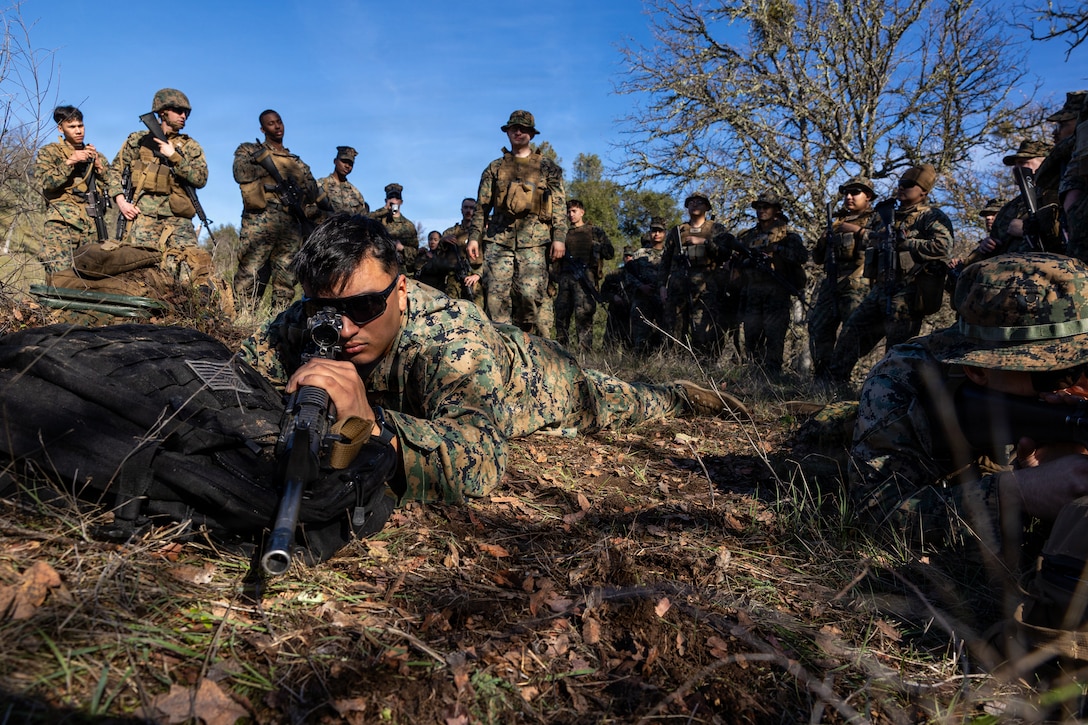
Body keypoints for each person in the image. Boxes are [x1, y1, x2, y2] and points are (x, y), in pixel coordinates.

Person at [240, 214, 748, 504]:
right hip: (492, 357)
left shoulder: (451, 338)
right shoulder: (312, 315)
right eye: (326, 311)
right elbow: (235, 373)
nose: (343, 328)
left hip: (540, 377)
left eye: (364, 307)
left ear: (399, 291)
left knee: (625, 401)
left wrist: (369, 427)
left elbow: (480, 460)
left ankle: (681, 393)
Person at [850, 253, 1088, 645]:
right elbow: (876, 513)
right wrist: (1016, 491)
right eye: (1057, 372)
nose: (1074, 384)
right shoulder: (905, 380)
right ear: (978, 369)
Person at [828, 164, 954, 387]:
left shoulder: (931, 216)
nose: (902, 188)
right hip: (880, 288)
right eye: (900, 184)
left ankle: (892, 391)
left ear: (923, 191)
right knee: (851, 333)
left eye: (908, 185)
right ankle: (834, 384)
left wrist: (907, 243)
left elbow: (943, 247)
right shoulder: (885, 214)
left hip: (908, 291)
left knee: (898, 347)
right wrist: (868, 234)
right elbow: (872, 240)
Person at [466, 110, 567, 337]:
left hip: (535, 241)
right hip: (499, 241)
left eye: (523, 129)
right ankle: (503, 345)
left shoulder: (548, 167)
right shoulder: (494, 168)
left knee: (529, 296)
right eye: (514, 128)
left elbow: (560, 206)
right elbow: (482, 206)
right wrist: (474, 237)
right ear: (507, 132)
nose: (518, 132)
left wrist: (559, 239)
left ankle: (528, 339)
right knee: (496, 298)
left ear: (531, 134)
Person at [109, 88, 209, 283]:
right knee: (138, 273)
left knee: (191, 271)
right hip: (143, 216)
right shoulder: (138, 141)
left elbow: (200, 179)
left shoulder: (191, 146)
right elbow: (114, 171)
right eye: (178, 111)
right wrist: (121, 201)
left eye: (186, 113)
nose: (183, 116)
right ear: (162, 112)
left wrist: (174, 157)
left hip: (178, 219)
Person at [232, 109, 324, 308]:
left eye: (279, 122)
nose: (277, 126)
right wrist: (269, 168)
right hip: (261, 218)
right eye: (271, 123)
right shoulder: (249, 150)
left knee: (287, 274)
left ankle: (278, 318)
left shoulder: (297, 162)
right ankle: (242, 316)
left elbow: (312, 192)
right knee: (251, 269)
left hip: (291, 221)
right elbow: (241, 173)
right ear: (262, 128)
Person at [809, 177, 882, 382]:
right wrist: (826, 239)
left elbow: (883, 240)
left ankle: (840, 378)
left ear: (867, 196)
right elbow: (816, 257)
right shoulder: (836, 221)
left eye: (855, 193)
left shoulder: (875, 218)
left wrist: (857, 232)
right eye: (846, 193)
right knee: (817, 327)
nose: (849, 197)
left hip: (858, 283)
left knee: (852, 333)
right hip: (832, 282)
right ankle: (822, 376)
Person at [732, 191, 809, 377]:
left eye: (765, 207)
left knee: (774, 339)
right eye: (758, 207)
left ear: (776, 210)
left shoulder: (787, 236)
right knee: (751, 337)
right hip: (752, 292)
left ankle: (773, 379)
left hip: (776, 292)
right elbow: (736, 260)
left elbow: (802, 256)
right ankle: (753, 376)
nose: (761, 210)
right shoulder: (748, 236)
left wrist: (778, 249)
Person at [35, 105, 111, 274]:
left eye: (81, 126)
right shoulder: (50, 152)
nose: (78, 131)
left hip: (92, 224)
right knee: (59, 274)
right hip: (62, 223)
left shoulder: (95, 155)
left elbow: (112, 186)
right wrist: (70, 162)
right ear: (61, 128)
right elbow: (46, 182)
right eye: (72, 127)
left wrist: (99, 166)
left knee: (90, 275)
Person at [658, 192, 731, 357]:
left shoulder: (716, 229)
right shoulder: (677, 231)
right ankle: (673, 365)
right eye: (691, 202)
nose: (695, 205)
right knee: (673, 329)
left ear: (706, 207)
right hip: (678, 287)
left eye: (699, 202)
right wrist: (662, 286)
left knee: (702, 331)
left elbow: (725, 254)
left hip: (706, 287)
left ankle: (702, 368)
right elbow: (665, 262)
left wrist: (705, 242)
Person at [553, 199, 614, 352]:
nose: (571, 214)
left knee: (584, 315)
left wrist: (597, 246)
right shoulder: (563, 234)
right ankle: (560, 352)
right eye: (568, 212)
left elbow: (610, 253)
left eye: (574, 211)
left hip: (586, 278)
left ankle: (585, 353)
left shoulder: (594, 231)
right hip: (565, 278)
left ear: (582, 212)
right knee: (561, 315)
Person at [626, 217, 668, 351]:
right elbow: (628, 275)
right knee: (640, 336)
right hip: (642, 300)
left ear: (664, 233)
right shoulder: (639, 253)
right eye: (654, 231)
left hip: (664, 299)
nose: (656, 234)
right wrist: (641, 286)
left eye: (660, 231)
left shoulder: (669, 254)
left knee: (666, 335)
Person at [443, 197, 485, 308]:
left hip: (474, 278)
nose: (468, 211)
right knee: (452, 311)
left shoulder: (483, 233)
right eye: (466, 207)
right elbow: (438, 254)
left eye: (472, 208)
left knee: (477, 313)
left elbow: (491, 256)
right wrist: (443, 241)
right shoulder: (451, 232)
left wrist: (478, 274)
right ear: (461, 210)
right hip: (454, 279)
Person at [370, 183, 419, 271]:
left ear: (401, 201)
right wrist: (385, 209)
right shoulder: (378, 221)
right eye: (391, 197)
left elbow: (415, 253)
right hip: (380, 269)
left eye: (397, 198)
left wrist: (402, 248)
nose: (394, 200)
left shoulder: (408, 226)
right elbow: (364, 220)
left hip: (401, 271)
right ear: (386, 200)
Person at [318, 146, 369, 216]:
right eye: (344, 161)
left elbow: (363, 217)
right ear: (335, 161)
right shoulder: (321, 185)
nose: (347, 166)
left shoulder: (356, 193)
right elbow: (307, 210)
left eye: (350, 164)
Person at [600, 246, 634, 349]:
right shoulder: (614, 275)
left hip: (632, 315)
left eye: (631, 256)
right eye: (626, 256)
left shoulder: (639, 274)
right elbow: (603, 293)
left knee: (631, 345)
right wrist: (613, 297)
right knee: (610, 344)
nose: (628, 258)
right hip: (616, 314)